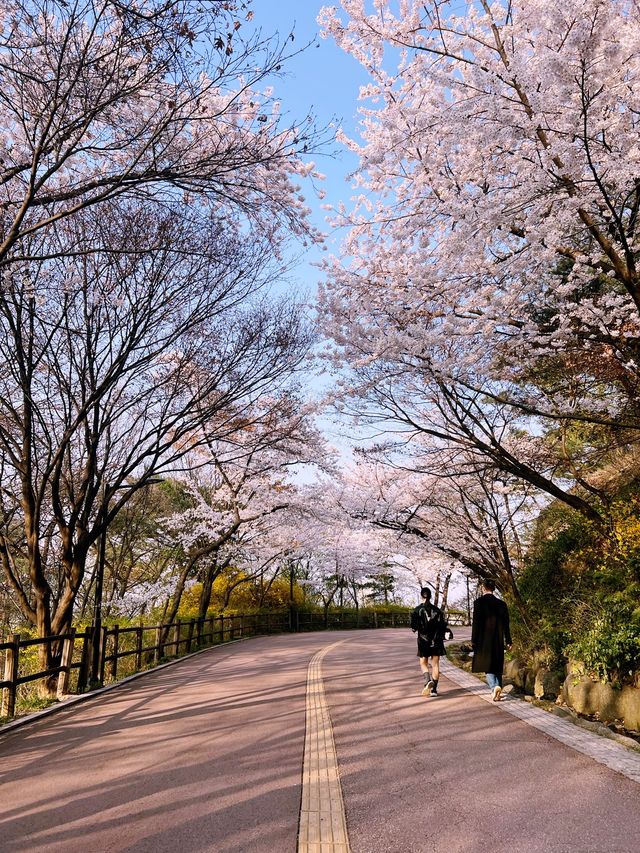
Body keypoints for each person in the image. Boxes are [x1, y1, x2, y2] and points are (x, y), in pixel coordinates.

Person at [471, 578, 512, 701]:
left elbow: (476, 623)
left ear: (483, 588)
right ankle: (498, 686)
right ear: (494, 589)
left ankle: (494, 687)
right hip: (498, 638)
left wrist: (474, 639)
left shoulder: (478, 603)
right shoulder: (502, 604)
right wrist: (509, 640)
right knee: (497, 664)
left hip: (483, 639)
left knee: (487, 665)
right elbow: (506, 624)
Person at [410, 587, 450, 697]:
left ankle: (427, 681)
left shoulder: (416, 610)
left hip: (423, 640)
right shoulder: (437, 610)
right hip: (436, 640)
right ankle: (434, 690)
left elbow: (413, 628)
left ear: (421, 596)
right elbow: (442, 626)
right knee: (435, 665)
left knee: (423, 663)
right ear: (431, 596)